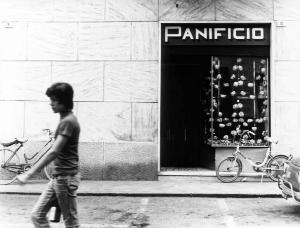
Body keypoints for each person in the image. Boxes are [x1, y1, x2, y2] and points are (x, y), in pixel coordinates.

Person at [17, 82, 81, 228]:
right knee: (37, 216)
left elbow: (54, 151)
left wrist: (29, 173)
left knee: (71, 223)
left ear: (63, 102)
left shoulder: (68, 121)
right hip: (58, 178)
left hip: (66, 178)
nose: (50, 104)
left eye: (53, 100)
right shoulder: (65, 119)